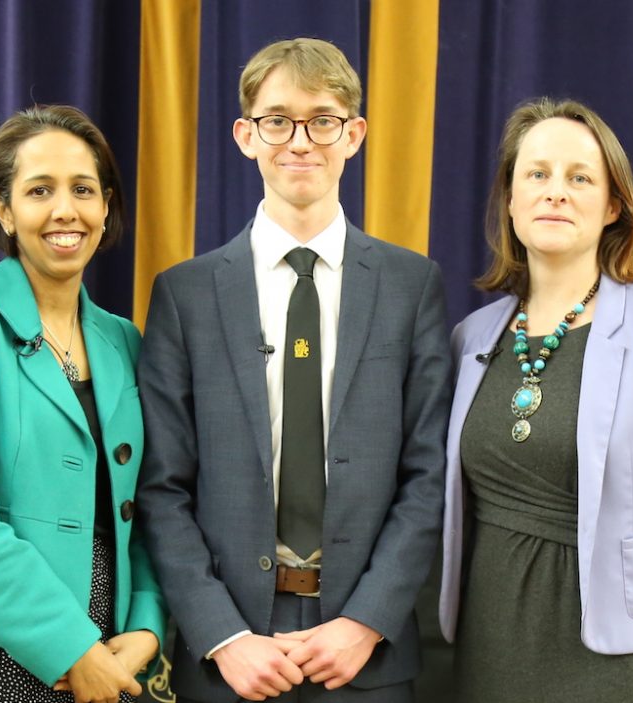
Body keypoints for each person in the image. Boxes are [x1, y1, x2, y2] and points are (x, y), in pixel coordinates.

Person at [137, 37, 454, 703]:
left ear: (354, 135)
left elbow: (428, 475)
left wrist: (366, 620)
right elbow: (162, 487)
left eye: (323, 120)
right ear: (246, 135)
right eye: (278, 120)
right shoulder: (185, 294)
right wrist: (222, 633)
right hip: (230, 658)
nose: (300, 141)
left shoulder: (411, 285)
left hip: (364, 654)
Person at [436, 97, 633, 702]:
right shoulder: (471, 337)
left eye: (580, 178)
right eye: (537, 174)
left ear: (612, 206)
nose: (555, 192)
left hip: (614, 657)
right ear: (511, 200)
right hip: (488, 645)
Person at [0, 105, 164, 703]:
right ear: (3, 209)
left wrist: (149, 625)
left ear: (106, 206)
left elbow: (148, 508)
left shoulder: (124, 340)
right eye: (40, 190)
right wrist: (69, 645)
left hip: (114, 649)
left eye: (83, 190)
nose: (65, 210)